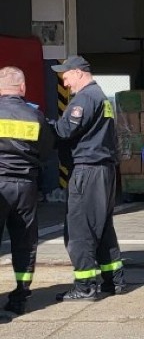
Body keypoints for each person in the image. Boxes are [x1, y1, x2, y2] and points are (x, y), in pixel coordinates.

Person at [51, 55, 124, 301]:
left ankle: (84, 286)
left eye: (67, 75)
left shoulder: (84, 99)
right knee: (102, 226)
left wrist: (43, 124)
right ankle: (114, 280)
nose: (65, 82)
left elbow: (64, 130)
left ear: (80, 72)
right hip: (103, 169)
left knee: (79, 229)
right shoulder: (102, 98)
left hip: (87, 170)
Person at [0, 67, 53, 315]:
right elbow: (45, 152)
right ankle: (20, 296)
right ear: (22, 88)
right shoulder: (35, 116)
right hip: (25, 186)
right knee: (24, 242)